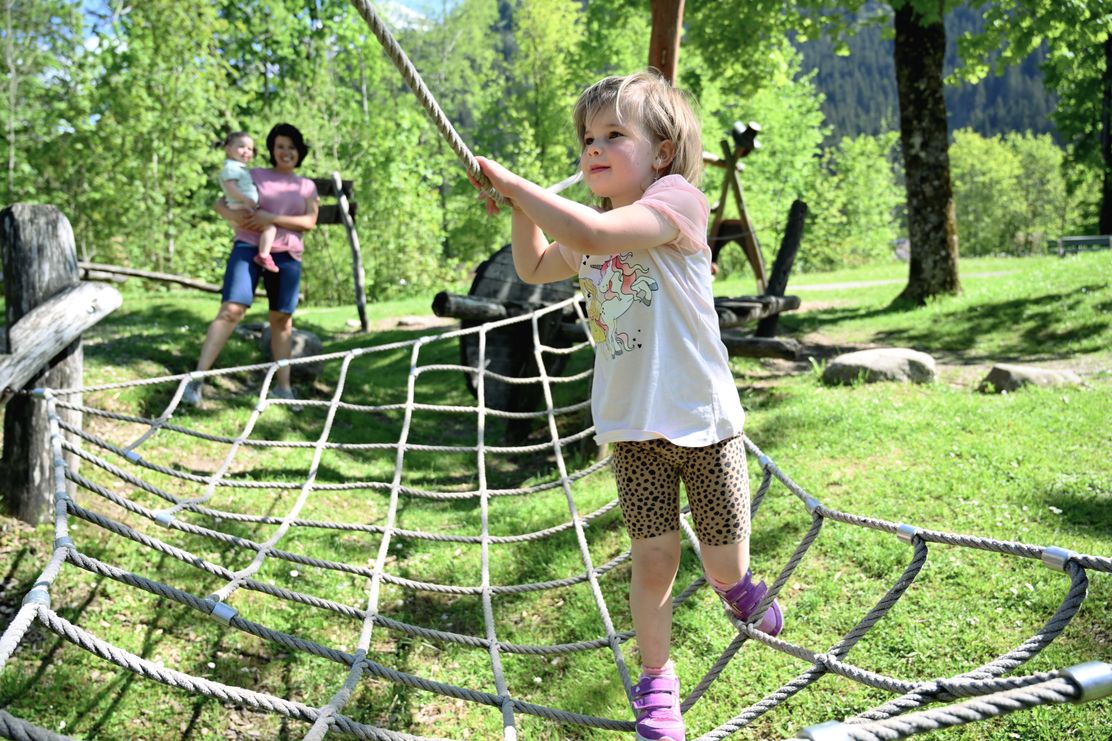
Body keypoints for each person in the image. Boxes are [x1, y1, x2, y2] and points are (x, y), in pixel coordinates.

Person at [472, 70, 783, 741]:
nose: (593, 147)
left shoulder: (677, 203)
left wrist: (517, 185)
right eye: (588, 137)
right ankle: (658, 681)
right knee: (652, 560)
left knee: (723, 560)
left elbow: (594, 237)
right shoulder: (595, 228)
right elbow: (532, 269)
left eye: (615, 133)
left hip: (704, 424)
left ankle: (737, 587)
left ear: (663, 152)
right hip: (634, 431)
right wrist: (520, 207)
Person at [183, 123, 320, 409]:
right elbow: (221, 202)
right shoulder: (254, 175)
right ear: (271, 149)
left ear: (299, 152)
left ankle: (283, 388)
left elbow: (309, 222)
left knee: (282, 320)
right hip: (247, 247)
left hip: (287, 255)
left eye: (291, 147)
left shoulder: (306, 185)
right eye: (280, 146)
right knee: (232, 310)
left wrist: (271, 218)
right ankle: (196, 381)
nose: (286, 152)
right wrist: (232, 215)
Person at [216, 131, 280, 273]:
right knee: (270, 228)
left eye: (250, 149)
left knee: (265, 226)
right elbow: (230, 187)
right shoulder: (231, 167)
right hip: (241, 207)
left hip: (242, 206)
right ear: (228, 149)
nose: (246, 151)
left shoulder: (240, 168)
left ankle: (262, 252)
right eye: (242, 147)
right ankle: (263, 255)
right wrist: (245, 199)